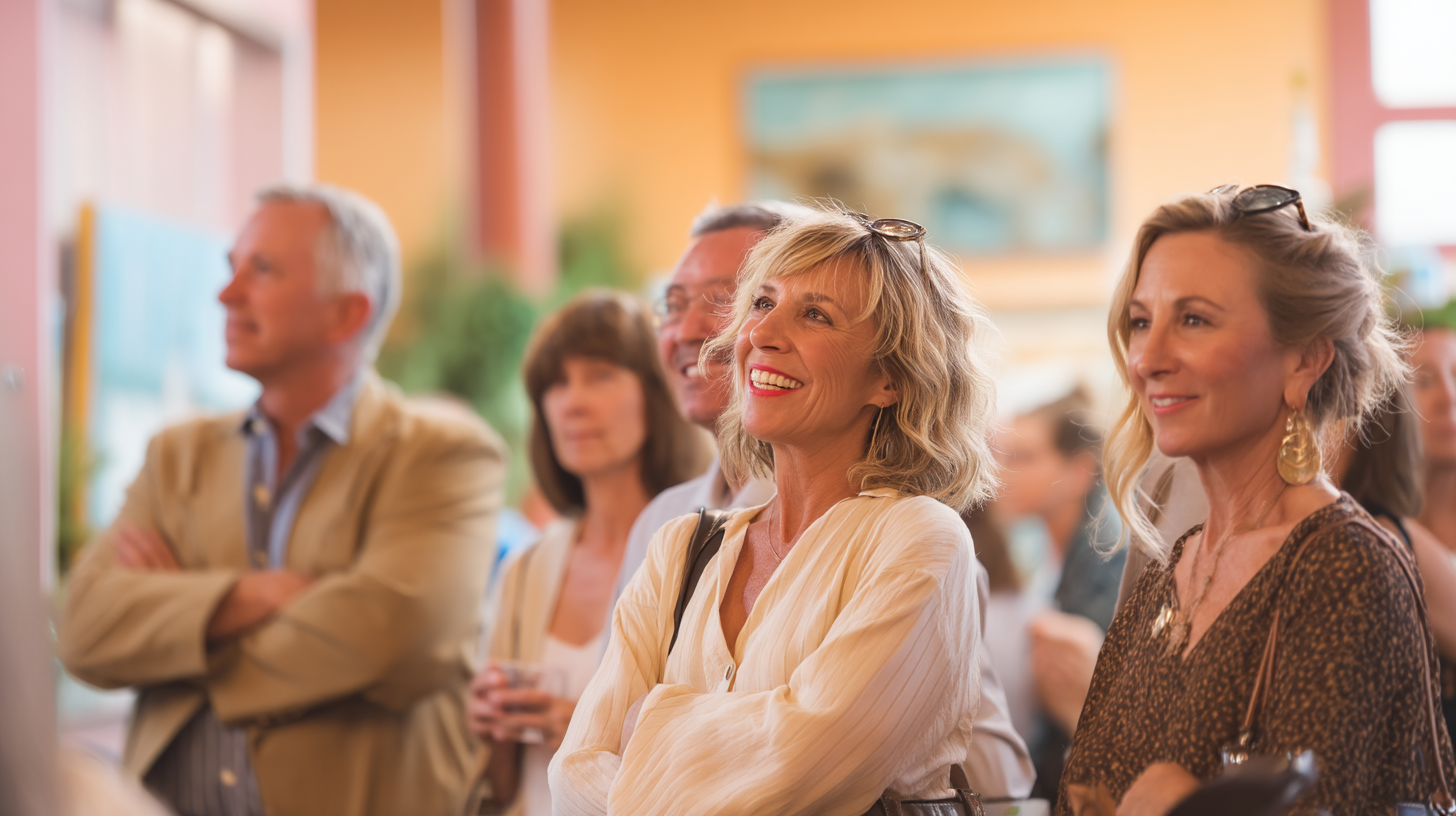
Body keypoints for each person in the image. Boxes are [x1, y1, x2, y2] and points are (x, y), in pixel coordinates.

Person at [58, 184, 507, 816]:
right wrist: (253, 595)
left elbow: (397, 640)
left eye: (261, 270)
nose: (226, 294)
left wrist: (177, 632)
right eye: (230, 268)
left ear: (347, 314)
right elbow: (83, 629)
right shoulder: (174, 455)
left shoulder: (439, 455)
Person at [550, 205, 1001, 815]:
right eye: (761, 303)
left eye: (815, 314)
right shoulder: (680, 547)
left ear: (889, 379)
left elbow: (801, 765)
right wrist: (716, 744)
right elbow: (572, 774)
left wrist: (643, 726)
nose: (761, 334)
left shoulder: (920, 538)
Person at [1059, 184, 1455, 816]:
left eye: (1193, 319)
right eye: (1140, 322)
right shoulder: (1171, 571)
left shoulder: (1344, 568)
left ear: (1304, 361)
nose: (1148, 359)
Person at [466, 291, 704, 816]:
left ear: (657, 393)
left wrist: (583, 731)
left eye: (600, 375)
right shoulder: (525, 568)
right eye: (556, 383)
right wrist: (489, 726)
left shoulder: (703, 552)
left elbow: (718, 754)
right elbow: (498, 788)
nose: (571, 401)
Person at [991, 389, 1126, 803]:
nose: (1001, 472)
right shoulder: (1044, 550)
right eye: (1002, 455)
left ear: (1078, 472)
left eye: (1023, 457)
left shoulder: (1107, 560)